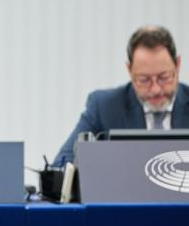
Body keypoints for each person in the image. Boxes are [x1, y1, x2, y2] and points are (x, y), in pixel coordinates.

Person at [54, 25, 189, 167]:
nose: (155, 89)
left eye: (164, 77)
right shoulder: (104, 107)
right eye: (144, 79)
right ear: (129, 70)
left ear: (178, 65)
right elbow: (61, 165)